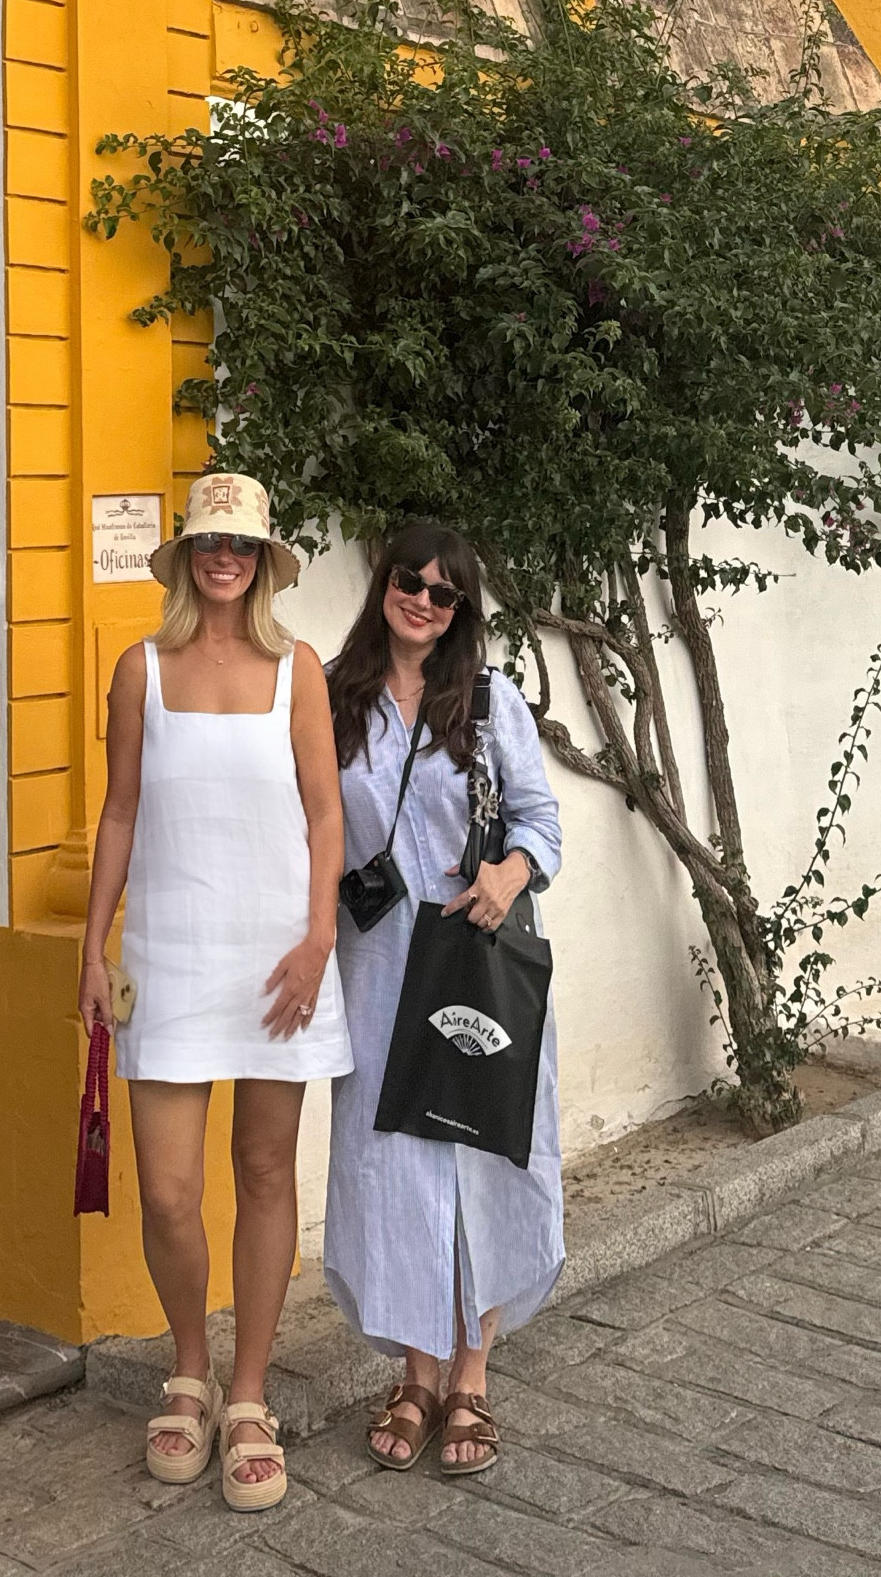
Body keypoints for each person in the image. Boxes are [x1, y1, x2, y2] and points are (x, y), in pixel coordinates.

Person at [78, 472, 351, 1512]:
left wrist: (320, 934)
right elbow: (118, 814)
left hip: (279, 954)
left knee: (267, 1166)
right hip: (172, 951)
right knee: (172, 1190)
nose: (223, 556)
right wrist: (92, 944)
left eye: (240, 542)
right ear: (190, 556)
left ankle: (248, 1393)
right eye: (208, 541)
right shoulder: (138, 668)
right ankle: (187, 1363)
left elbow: (327, 814)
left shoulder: (301, 671)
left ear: (264, 560)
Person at [324, 521, 563, 1477]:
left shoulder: (491, 702)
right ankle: (415, 1374)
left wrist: (508, 876)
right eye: (408, 579)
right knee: (396, 1164)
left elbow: (544, 822)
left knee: (480, 1154)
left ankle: (470, 1378)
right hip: (378, 971)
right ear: (382, 582)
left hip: (471, 961)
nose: (423, 598)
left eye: (444, 590)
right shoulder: (334, 696)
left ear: (462, 608)